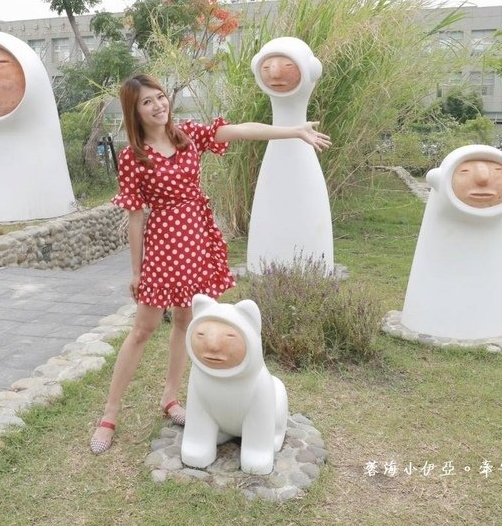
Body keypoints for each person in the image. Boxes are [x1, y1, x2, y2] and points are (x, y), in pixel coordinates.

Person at [90, 73, 331, 454]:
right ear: (134, 111)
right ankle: (109, 413)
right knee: (143, 328)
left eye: (160, 97)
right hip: (163, 245)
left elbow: (241, 131)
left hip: (197, 238)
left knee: (187, 321)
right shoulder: (133, 157)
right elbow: (135, 217)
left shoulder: (188, 135)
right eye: (146, 102)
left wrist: (293, 130)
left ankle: (170, 398)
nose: (158, 106)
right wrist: (136, 271)